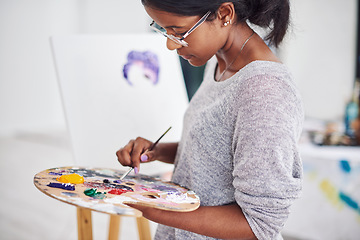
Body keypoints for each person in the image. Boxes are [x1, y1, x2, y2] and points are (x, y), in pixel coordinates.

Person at [116, 0, 304, 239]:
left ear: (224, 14)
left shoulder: (264, 90)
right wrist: (158, 151)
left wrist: (155, 209)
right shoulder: (219, 63)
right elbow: (222, 156)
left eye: (180, 32)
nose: (170, 44)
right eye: (164, 30)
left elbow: (259, 225)